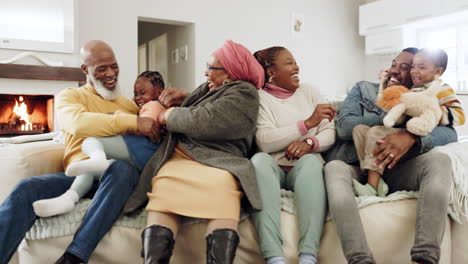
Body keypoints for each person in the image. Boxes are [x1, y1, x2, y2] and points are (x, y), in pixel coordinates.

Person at [0, 40, 160, 264]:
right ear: (85, 70)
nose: (111, 73)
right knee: (26, 188)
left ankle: (74, 257)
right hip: (77, 176)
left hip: (117, 180)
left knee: (122, 168)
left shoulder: (130, 105)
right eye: (101, 68)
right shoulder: (71, 97)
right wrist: (132, 122)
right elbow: (77, 123)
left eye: (114, 66)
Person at [120, 40, 264, 264]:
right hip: (182, 155)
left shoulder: (245, 92)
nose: (205, 73)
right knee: (164, 186)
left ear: (229, 72)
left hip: (219, 161)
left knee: (224, 189)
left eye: (210, 68)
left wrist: (167, 116)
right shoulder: (211, 87)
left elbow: (208, 119)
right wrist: (183, 98)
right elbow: (200, 108)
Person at [324, 47, 464, 264]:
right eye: (393, 64)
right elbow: (343, 127)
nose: (395, 71)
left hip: (399, 167)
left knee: (440, 161)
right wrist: (393, 119)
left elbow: (449, 132)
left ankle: (425, 256)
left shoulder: (423, 94)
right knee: (333, 167)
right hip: (356, 164)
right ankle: (359, 259)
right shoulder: (365, 89)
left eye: (406, 68)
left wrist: (410, 138)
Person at [32, 70, 166, 217]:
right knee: (90, 167)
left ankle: (96, 163)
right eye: (136, 93)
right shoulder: (143, 107)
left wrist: (118, 117)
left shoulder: (154, 106)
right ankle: (68, 198)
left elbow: (145, 126)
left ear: (159, 91)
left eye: (143, 92)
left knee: (91, 141)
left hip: (142, 150)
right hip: (137, 153)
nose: (138, 98)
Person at [250, 46, 335, 264]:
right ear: (271, 71)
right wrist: (306, 124)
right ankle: (274, 257)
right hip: (272, 167)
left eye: (295, 61)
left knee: (311, 162)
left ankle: (308, 256)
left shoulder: (310, 92)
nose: (296, 67)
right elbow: (265, 140)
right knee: (258, 160)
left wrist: (309, 142)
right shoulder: (259, 98)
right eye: (289, 62)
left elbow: (329, 131)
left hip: (305, 165)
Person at [352, 48, 464, 197]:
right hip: (402, 129)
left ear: (438, 71)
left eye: (422, 67)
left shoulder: (442, 89)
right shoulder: (413, 90)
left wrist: (432, 112)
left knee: (375, 133)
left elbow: (459, 115)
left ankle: (372, 188)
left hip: (416, 133)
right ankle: (379, 181)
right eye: (413, 66)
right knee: (359, 130)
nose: (414, 71)